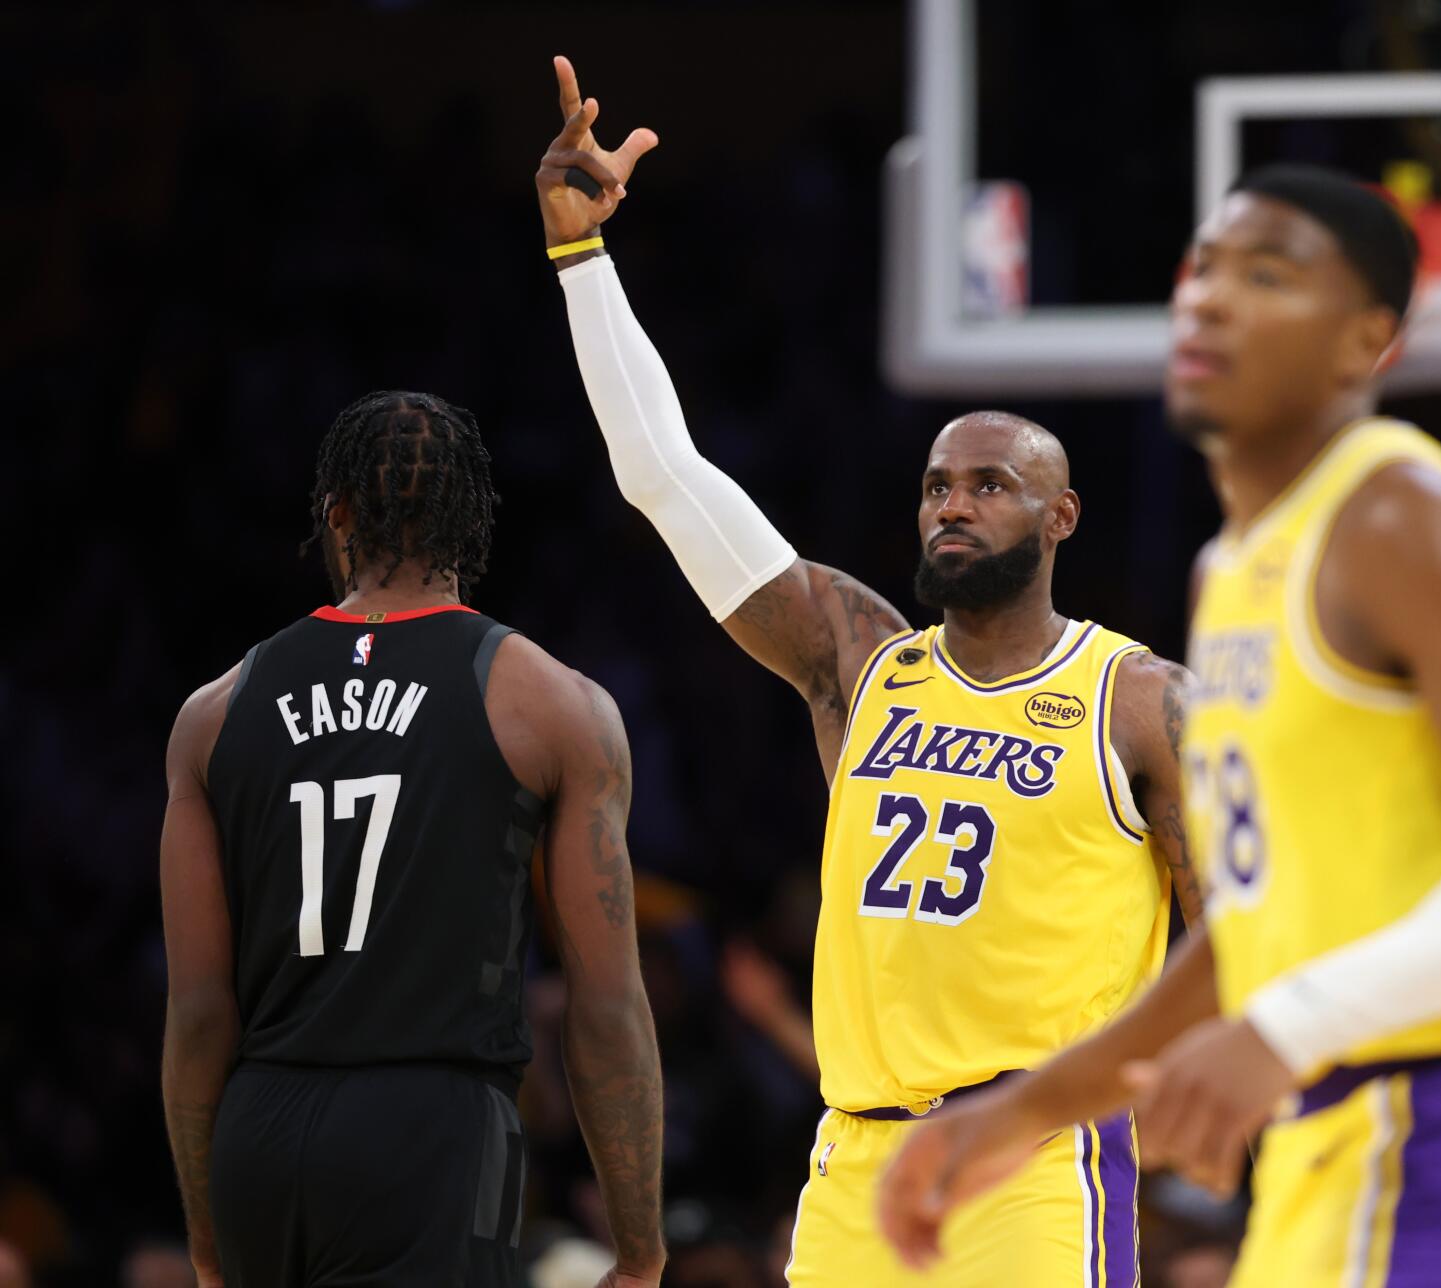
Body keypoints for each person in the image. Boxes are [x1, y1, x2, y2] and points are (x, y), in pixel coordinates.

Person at [879, 165, 1441, 1285]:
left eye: (1268, 275)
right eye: (1202, 271)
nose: (1209, 299)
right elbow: (1254, 929)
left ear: (1365, 343)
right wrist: (1014, 1117)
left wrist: (1289, 1022)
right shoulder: (1232, 568)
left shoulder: (1399, 511)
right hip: (1323, 1142)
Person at [534, 56, 1200, 1287]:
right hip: (853, 1163)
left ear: (1060, 518)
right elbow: (665, 477)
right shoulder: (861, 660)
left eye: (991, 485)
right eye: (939, 483)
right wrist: (584, 264)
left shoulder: (1139, 699)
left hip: (1038, 1159)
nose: (953, 504)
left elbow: (1235, 926)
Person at [159, 392, 666, 1287]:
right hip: (429, 1133)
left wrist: (207, 1243)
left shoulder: (214, 714)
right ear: (470, 520)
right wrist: (638, 1249)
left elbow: (199, 1014)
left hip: (260, 1130)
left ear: (337, 515)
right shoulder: (552, 704)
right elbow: (607, 1005)